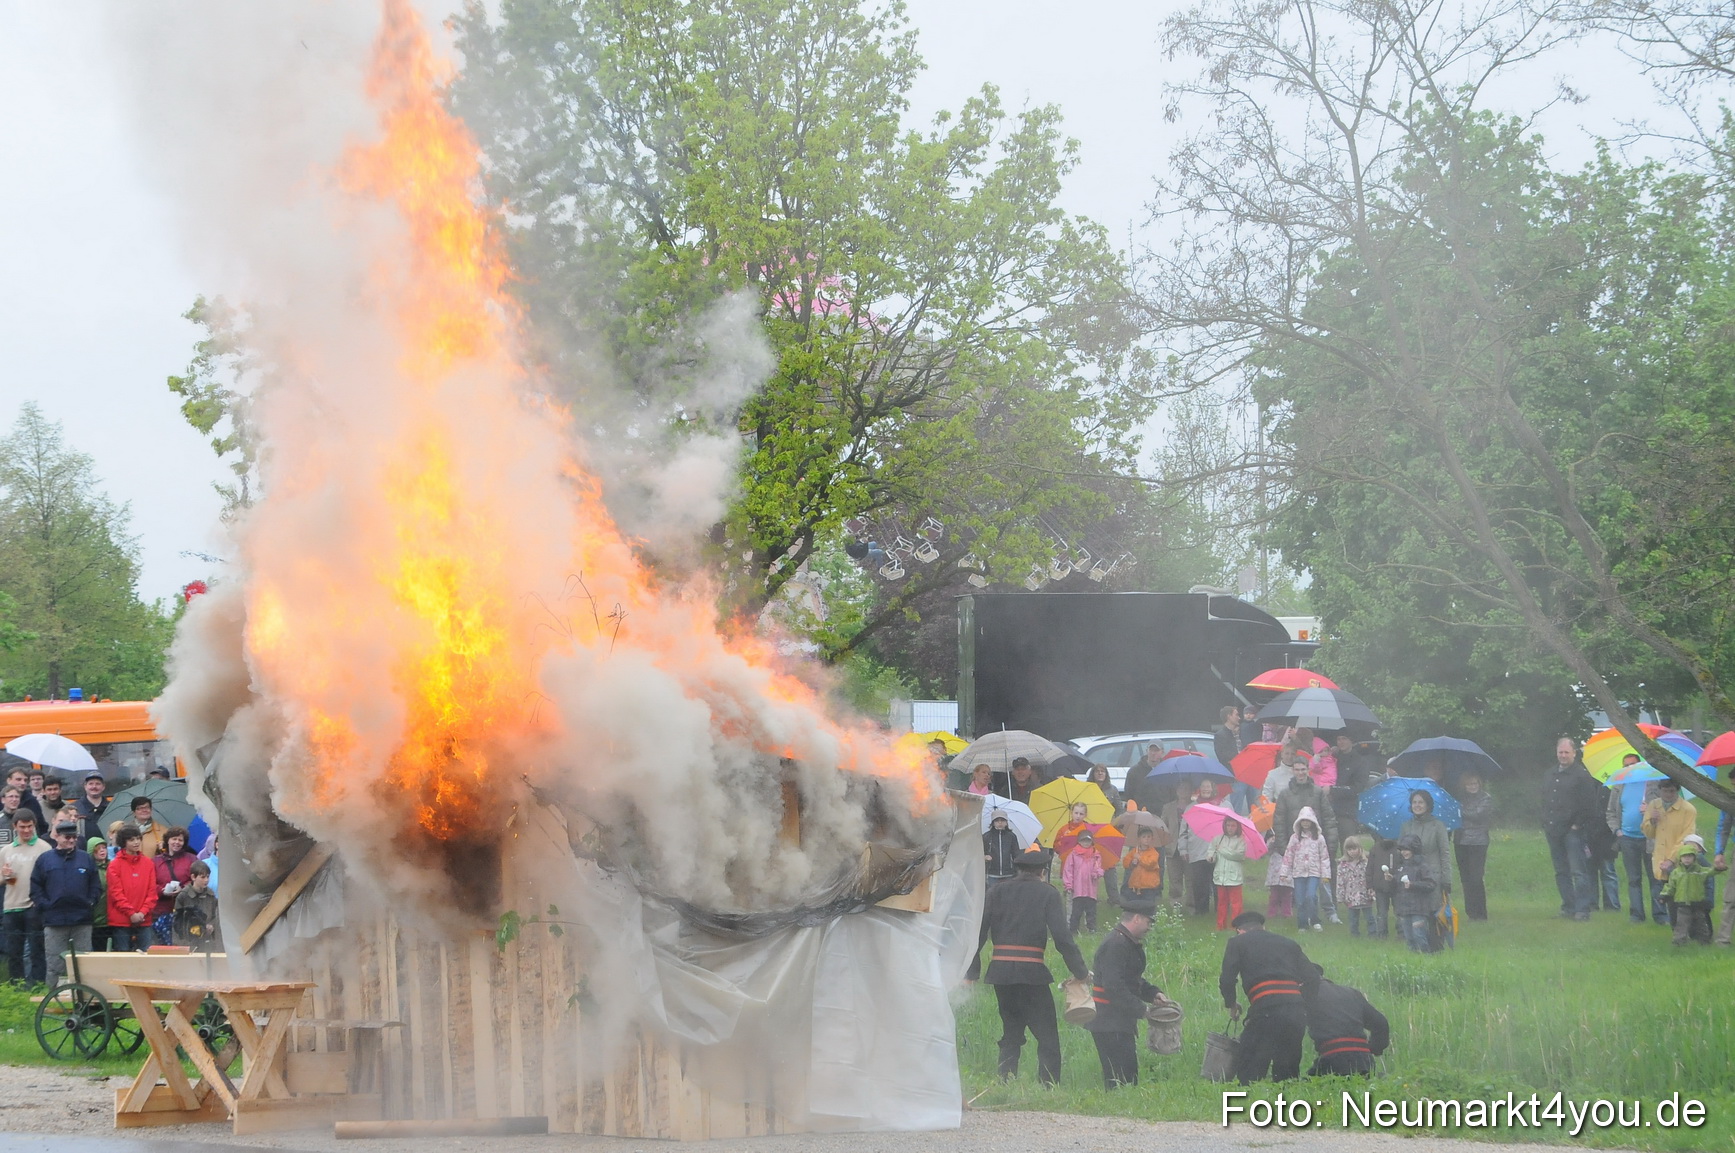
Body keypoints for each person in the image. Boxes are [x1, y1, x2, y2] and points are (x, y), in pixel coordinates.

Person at [966, 845, 1089, 1085]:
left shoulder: (996, 891)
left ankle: (1005, 1079)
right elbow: (1063, 939)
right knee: (1047, 1036)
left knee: (1011, 1030)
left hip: (1000, 973)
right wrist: (1081, 972)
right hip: (1032, 974)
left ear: (1018, 869)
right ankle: (1048, 1084)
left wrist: (971, 971)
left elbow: (977, 933)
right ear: (1042, 871)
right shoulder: (1048, 894)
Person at [1219, 910, 1319, 1083]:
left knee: (1249, 1068)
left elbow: (1227, 979)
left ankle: (1249, 1102)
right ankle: (1285, 1104)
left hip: (1265, 1008)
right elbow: (1313, 978)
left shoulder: (1237, 943)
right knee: (1287, 1073)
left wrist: (1232, 1004)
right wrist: (1304, 1005)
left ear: (1240, 931)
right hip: (1295, 1009)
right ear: (1263, 927)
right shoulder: (1288, 943)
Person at [1083, 899, 1162, 1088]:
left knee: (1128, 1078)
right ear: (1136, 918)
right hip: (1108, 1022)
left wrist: (1153, 994)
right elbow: (1114, 986)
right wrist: (1142, 1010)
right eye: (1148, 922)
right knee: (1120, 1081)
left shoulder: (1124, 942)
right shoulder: (1116, 944)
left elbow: (1130, 980)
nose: (1150, 927)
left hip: (1117, 1022)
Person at [31, 820, 101, 987]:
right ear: (57, 837)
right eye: (67, 837)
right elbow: (35, 886)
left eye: (74, 837)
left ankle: (86, 1000)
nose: (71, 840)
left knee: (84, 964)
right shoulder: (45, 860)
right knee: (55, 964)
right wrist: (45, 906)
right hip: (54, 921)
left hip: (81, 920)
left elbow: (96, 885)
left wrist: (90, 902)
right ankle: (54, 1000)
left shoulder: (86, 859)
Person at [1541, 737, 1601, 921]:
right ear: (1556, 753)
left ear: (1574, 753)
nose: (1563, 755)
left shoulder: (1582, 776)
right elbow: (1544, 800)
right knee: (1561, 871)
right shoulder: (1550, 774)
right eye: (1561, 752)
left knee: (1578, 871)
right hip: (1553, 830)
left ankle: (1582, 910)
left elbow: (1590, 805)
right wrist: (1545, 821)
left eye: (1567, 752)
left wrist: (1577, 825)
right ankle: (1568, 907)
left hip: (1573, 831)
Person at [1608, 756, 1666, 926]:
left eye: (1632, 765)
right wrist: (1617, 830)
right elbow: (1610, 812)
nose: (1629, 768)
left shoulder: (1653, 784)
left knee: (1655, 877)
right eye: (1626, 766)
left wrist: (1650, 810)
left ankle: (1660, 914)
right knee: (1633, 879)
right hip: (1627, 838)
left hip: (1650, 838)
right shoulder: (1619, 786)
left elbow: (1665, 809)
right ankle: (1636, 914)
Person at [1306, 967, 1390, 1076]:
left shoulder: (1307, 995)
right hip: (1364, 1061)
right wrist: (1374, 1049)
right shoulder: (1352, 993)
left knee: (1303, 1087)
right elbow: (1381, 1024)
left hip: (1332, 1061)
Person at [0, 813, 51, 984]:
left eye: (30, 826)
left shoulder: (44, 848)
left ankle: (37, 985)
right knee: (14, 951)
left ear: (35, 825)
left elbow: (50, 877)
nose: (26, 830)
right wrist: (4, 875)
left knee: (37, 950)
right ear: (15, 826)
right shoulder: (6, 850)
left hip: (34, 906)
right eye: (22, 827)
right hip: (11, 906)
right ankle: (16, 986)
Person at [1643, 779, 1699, 927]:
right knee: (1666, 894)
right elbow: (1648, 833)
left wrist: (1672, 859)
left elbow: (1686, 837)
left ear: (1677, 791)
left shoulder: (1688, 809)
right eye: (1665, 791)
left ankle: (1689, 927)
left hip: (1681, 859)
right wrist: (1653, 821)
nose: (1668, 794)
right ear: (1660, 790)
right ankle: (1674, 927)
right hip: (1659, 858)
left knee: (1681, 895)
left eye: (1672, 791)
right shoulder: (1654, 806)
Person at [106, 827, 160, 953]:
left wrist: (142, 912)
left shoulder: (148, 863)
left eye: (138, 839)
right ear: (123, 842)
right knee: (123, 958)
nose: (136, 842)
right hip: (121, 920)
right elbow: (116, 893)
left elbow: (152, 892)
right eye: (131, 840)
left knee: (146, 956)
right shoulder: (114, 865)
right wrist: (131, 913)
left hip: (144, 919)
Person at [1661, 834, 1721, 946]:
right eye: (1684, 857)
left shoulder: (1699, 870)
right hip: (1682, 904)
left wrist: (1718, 868)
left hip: (1698, 903)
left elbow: (1710, 872)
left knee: (1701, 924)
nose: (1687, 859)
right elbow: (1670, 886)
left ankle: (1704, 942)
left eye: (1690, 856)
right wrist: (1664, 896)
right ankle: (1678, 943)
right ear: (1680, 858)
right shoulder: (1676, 872)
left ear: (1695, 856)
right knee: (1681, 924)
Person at [1272, 760, 1338, 856]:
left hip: (1317, 846)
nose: (1300, 773)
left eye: (1303, 769)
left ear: (1308, 770)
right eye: (1297, 770)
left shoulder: (1318, 792)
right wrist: (1283, 849)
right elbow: (1279, 823)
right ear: (1293, 771)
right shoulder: (1284, 794)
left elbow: (1329, 819)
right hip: (1293, 847)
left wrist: (1331, 847)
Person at [1398, 791, 1451, 909]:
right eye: (1414, 802)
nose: (1417, 805)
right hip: (1412, 878)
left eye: (1421, 802)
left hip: (1432, 876)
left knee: (1434, 912)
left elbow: (1445, 853)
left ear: (1428, 805)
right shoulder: (1406, 826)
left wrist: (1446, 879)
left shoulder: (1438, 825)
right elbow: (1400, 852)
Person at [1283, 808, 1332, 932]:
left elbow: (1324, 857)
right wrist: (1284, 872)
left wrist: (1325, 874)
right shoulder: (1295, 838)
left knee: (1311, 896)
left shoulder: (1319, 838)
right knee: (1299, 899)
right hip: (1298, 872)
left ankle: (1315, 920)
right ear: (1299, 822)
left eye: (1308, 820)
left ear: (1313, 822)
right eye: (1303, 820)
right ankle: (1302, 923)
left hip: (1314, 872)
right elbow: (1289, 855)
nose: (1305, 823)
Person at [1453, 773, 1494, 921]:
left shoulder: (1486, 798)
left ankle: (1481, 913)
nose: (1472, 786)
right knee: (1465, 878)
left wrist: (1459, 810)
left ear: (1479, 784)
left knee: (1476, 878)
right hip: (1461, 841)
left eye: (1475, 783)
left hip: (1478, 842)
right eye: (1469, 784)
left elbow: (1477, 815)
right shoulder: (1460, 799)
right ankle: (1471, 912)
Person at [1390, 834, 1436, 953]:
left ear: (1414, 849)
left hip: (1419, 908)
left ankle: (1426, 957)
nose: (1404, 852)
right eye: (1402, 850)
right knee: (1409, 938)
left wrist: (1413, 885)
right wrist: (1392, 879)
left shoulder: (1423, 866)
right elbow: (1397, 886)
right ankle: (1414, 961)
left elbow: (1431, 884)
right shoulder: (1400, 867)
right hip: (1404, 908)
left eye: (1407, 849)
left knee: (1419, 935)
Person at [153, 826, 199, 946]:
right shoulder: (155, 861)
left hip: (185, 910)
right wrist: (162, 891)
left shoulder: (192, 859)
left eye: (180, 840)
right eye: (174, 839)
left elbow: (196, 880)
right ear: (167, 840)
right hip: (161, 910)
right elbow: (150, 883)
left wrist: (183, 889)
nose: (177, 842)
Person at [1207, 816, 1246, 930]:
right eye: (1228, 825)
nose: (1230, 828)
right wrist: (1211, 857)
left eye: (1233, 826)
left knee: (1236, 904)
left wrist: (1222, 849)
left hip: (1234, 877)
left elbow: (1238, 855)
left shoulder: (1241, 840)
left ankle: (1236, 926)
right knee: (1221, 903)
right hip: (1221, 876)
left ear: (1237, 827)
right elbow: (1211, 851)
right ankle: (1220, 925)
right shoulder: (1217, 839)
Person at [1062, 831, 1105, 934]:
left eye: (1088, 840)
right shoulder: (1073, 854)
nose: (1086, 843)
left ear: (1092, 842)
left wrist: (1097, 873)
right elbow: (1068, 870)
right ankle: (1073, 930)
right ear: (1079, 841)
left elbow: (1099, 868)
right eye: (1083, 840)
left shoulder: (1095, 854)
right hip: (1078, 889)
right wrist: (1068, 884)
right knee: (1076, 912)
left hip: (1091, 889)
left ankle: (1091, 929)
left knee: (1091, 911)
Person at [172, 860, 221, 950]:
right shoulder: (184, 896)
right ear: (193, 877)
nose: (206, 880)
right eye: (202, 877)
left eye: (207, 877)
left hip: (207, 942)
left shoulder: (211, 895)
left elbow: (215, 916)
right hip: (188, 942)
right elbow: (177, 923)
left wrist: (211, 925)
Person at [1337, 835, 1375, 936]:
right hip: (1351, 896)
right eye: (1349, 849)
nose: (1352, 851)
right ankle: (1355, 935)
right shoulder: (1342, 865)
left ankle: (1373, 934)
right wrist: (1340, 896)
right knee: (1353, 919)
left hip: (1365, 894)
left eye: (1354, 848)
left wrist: (1372, 890)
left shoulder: (1366, 862)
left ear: (1360, 848)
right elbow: (1340, 882)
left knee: (1369, 917)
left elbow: (1371, 877)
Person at [1366, 837, 1397, 939]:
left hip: (1396, 885)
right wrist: (1370, 885)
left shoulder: (1398, 849)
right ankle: (1382, 934)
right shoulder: (1375, 849)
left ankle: (1402, 933)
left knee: (1399, 911)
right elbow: (1369, 868)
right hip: (1379, 886)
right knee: (1381, 912)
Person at [1123, 828, 1162, 906]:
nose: (1146, 839)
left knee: (1148, 907)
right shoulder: (1134, 851)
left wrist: (1140, 858)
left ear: (1152, 839)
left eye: (1148, 837)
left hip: (1149, 886)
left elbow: (1150, 864)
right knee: (1134, 907)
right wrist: (1132, 863)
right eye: (1144, 837)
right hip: (1135, 885)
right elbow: (1125, 862)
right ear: (1139, 839)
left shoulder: (1154, 853)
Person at [983, 813, 1021, 890]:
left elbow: (1016, 853)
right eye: (997, 820)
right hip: (992, 873)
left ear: (1006, 822)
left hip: (1009, 873)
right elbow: (980, 852)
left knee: (1008, 895)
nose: (1000, 823)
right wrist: (985, 857)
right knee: (993, 895)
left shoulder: (1011, 836)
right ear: (993, 823)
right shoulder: (987, 836)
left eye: (1002, 820)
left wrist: (1017, 869)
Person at [87, 838, 110, 953]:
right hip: (96, 918)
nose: (102, 851)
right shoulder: (90, 869)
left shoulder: (112, 866)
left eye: (104, 848)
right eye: (98, 849)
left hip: (111, 917)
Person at [71, 774, 109, 844]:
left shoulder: (110, 807)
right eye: (91, 784)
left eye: (98, 784)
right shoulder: (74, 808)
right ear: (85, 786)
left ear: (103, 787)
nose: (94, 787)